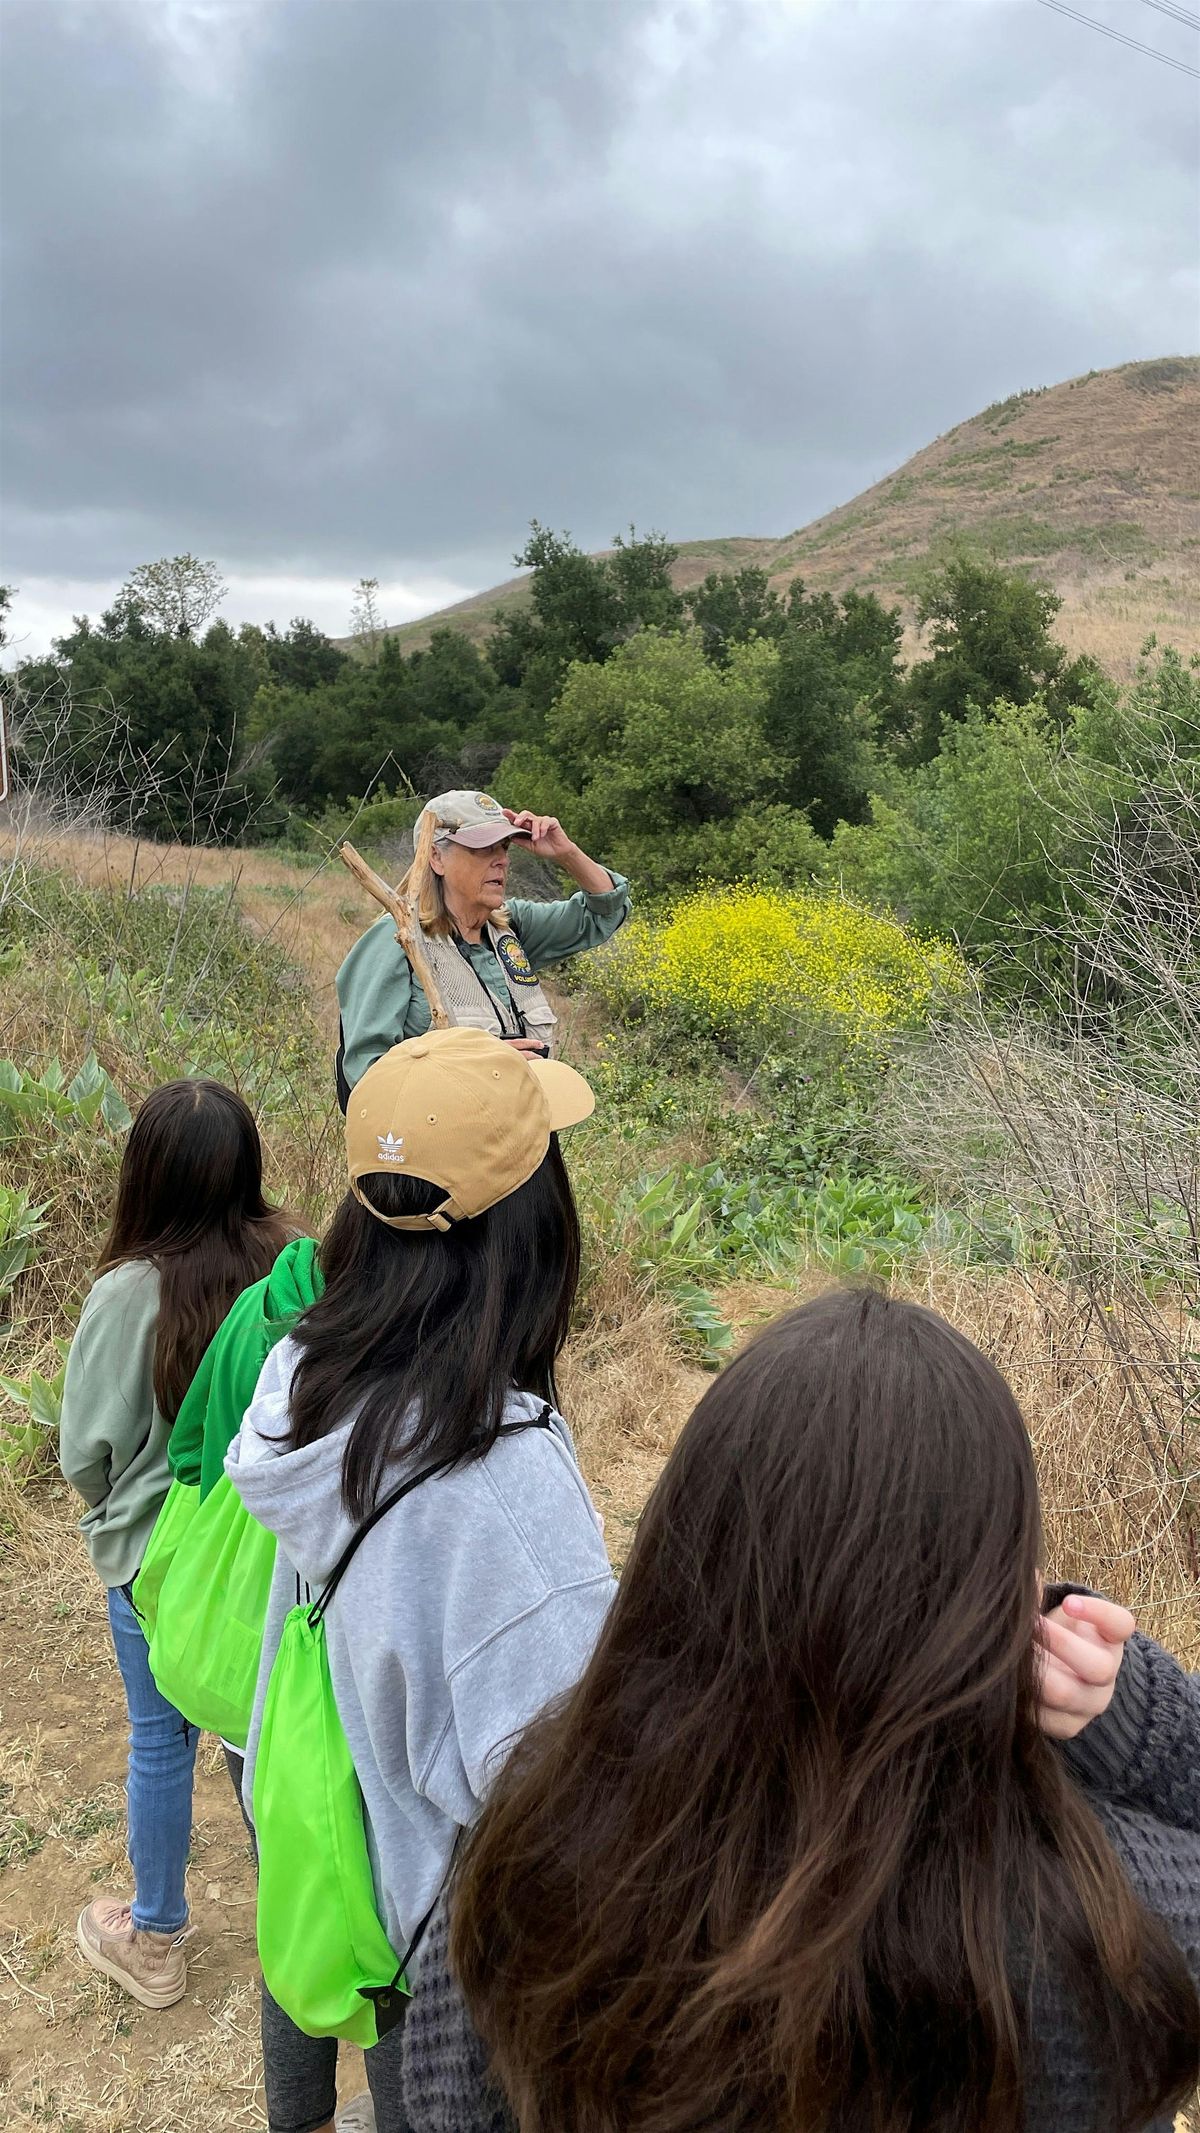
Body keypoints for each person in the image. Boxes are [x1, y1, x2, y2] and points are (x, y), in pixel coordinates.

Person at [405, 1290, 1200, 2133]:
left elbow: (443, 2103)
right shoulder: (1107, 1928)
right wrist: (1116, 1705)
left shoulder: (528, 1885)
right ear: (991, 1604)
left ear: (680, 1566)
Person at [226, 1026, 615, 2133]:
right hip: (455, 1962)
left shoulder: (308, 1370)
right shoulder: (498, 1484)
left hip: (357, 1864)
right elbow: (571, 1814)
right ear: (531, 1227)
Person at [58, 1078, 292, 2009]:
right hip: (266, 1548)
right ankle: (300, 1900)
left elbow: (85, 1451)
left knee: (160, 1740)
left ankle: (155, 1936)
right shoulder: (291, 1259)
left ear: (143, 1173)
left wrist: (115, 1512)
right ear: (248, 1166)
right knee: (262, 1730)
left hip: (157, 1563)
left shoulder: (128, 1291)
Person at [334, 790, 629, 1098]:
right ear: (435, 857)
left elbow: (605, 912)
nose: (501, 860)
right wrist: (478, 1069)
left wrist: (566, 852)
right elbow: (368, 1075)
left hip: (528, 1134)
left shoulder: (511, 925)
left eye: (503, 847)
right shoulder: (398, 939)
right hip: (448, 1138)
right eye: (483, 848)